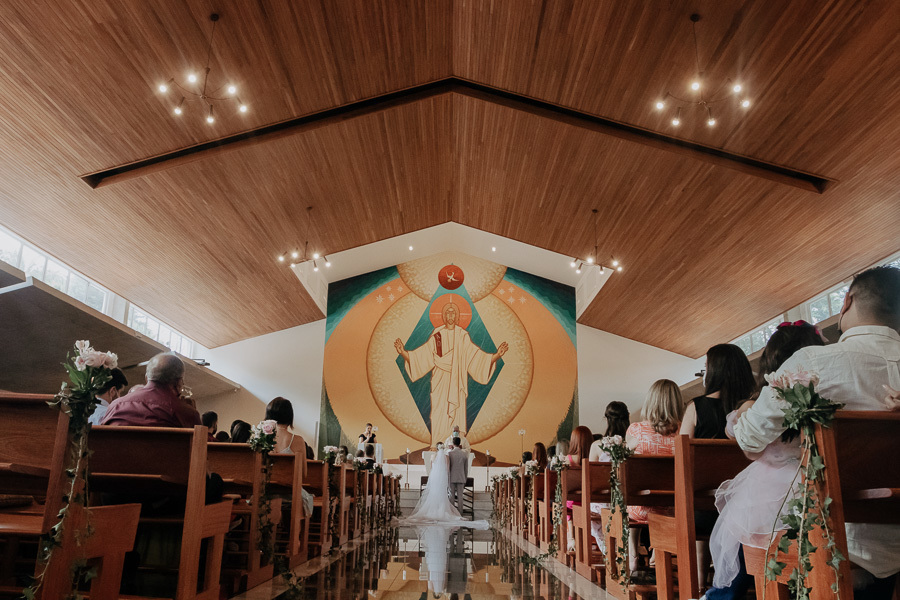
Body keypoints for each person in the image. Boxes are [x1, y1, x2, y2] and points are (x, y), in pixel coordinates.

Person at [734, 266, 900, 598]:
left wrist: (746, 410)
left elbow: (749, 439)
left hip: (840, 539)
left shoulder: (813, 362)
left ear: (846, 301)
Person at [706, 321, 825, 599]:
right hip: (815, 483)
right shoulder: (822, 394)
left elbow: (746, 445)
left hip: (771, 489)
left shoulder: (763, 403)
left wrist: (741, 416)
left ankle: (725, 594)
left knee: (741, 528)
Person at [395, 302, 508, 448]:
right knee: (438, 412)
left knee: (456, 412)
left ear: (457, 316)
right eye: (447, 313)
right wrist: (403, 352)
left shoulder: (462, 336)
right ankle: (437, 443)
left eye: (453, 313)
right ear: (443, 316)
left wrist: (497, 356)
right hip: (440, 380)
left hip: (457, 381)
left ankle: (456, 444)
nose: (450, 316)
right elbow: (422, 356)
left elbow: (475, 357)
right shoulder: (437, 335)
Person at [624, 379, 684, 570]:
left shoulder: (635, 430)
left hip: (640, 508)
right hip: (674, 507)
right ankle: (658, 551)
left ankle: (633, 553)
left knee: (630, 495)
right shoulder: (685, 430)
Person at [101, 353, 202, 429]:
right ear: (178, 382)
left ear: (146, 378)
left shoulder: (115, 406)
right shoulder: (186, 414)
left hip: (117, 457)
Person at [402, 444, 488, 529]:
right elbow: (447, 469)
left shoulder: (433, 456)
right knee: (442, 494)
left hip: (434, 478)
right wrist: (447, 479)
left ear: (436, 448)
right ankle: (442, 510)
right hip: (443, 478)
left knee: (434, 494)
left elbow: (431, 468)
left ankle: (432, 510)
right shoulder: (446, 457)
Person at [681, 344, 755, 439]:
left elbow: (683, 448)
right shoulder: (753, 407)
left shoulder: (696, 407)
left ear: (714, 371)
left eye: (706, 367)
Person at [564, 426, 593, 550]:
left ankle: (571, 537)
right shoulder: (594, 459)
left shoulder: (568, 460)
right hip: (591, 501)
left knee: (565, 501)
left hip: (573, 502)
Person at [447, 441, 469, 516]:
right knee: (460, 496)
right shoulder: (464, 454)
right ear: (459, 444)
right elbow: (466, 468)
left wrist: (447, 477)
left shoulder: (450, 454)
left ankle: (452, 513)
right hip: (461, 477)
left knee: (451, 496)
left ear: (453, 444)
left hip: (452, 477)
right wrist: (465, 478)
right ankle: (460, 513)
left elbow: (448, 467)